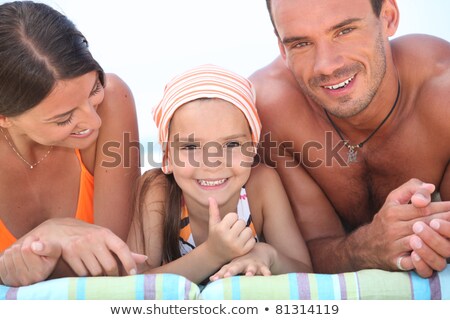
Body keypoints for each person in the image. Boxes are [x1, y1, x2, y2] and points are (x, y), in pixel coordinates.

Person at [250, 0, 450, 278]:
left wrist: (430, 238)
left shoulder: (443, 91)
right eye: (301, 44)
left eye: (344, 31)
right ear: (283, 48)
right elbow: (306, 253)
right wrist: (365, 247)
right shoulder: (270, 109)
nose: (326, 66)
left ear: (388, 18)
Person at [0, 1, 144, 287]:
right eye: (64, 118)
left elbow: (114, 263)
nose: (95, 122)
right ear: (5, 118)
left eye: (94, 90)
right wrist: (49, 237)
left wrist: (35, 252)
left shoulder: (113, 101)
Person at [127, 64, 312, 285]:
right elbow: (132, 283)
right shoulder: (157, 191)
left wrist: (267, 255)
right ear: (167, 155)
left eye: (232, 144)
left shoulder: (261, 184)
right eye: (191, 147)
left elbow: (306, 274)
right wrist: (212, 254)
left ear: (252, 148)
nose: (212, 163)